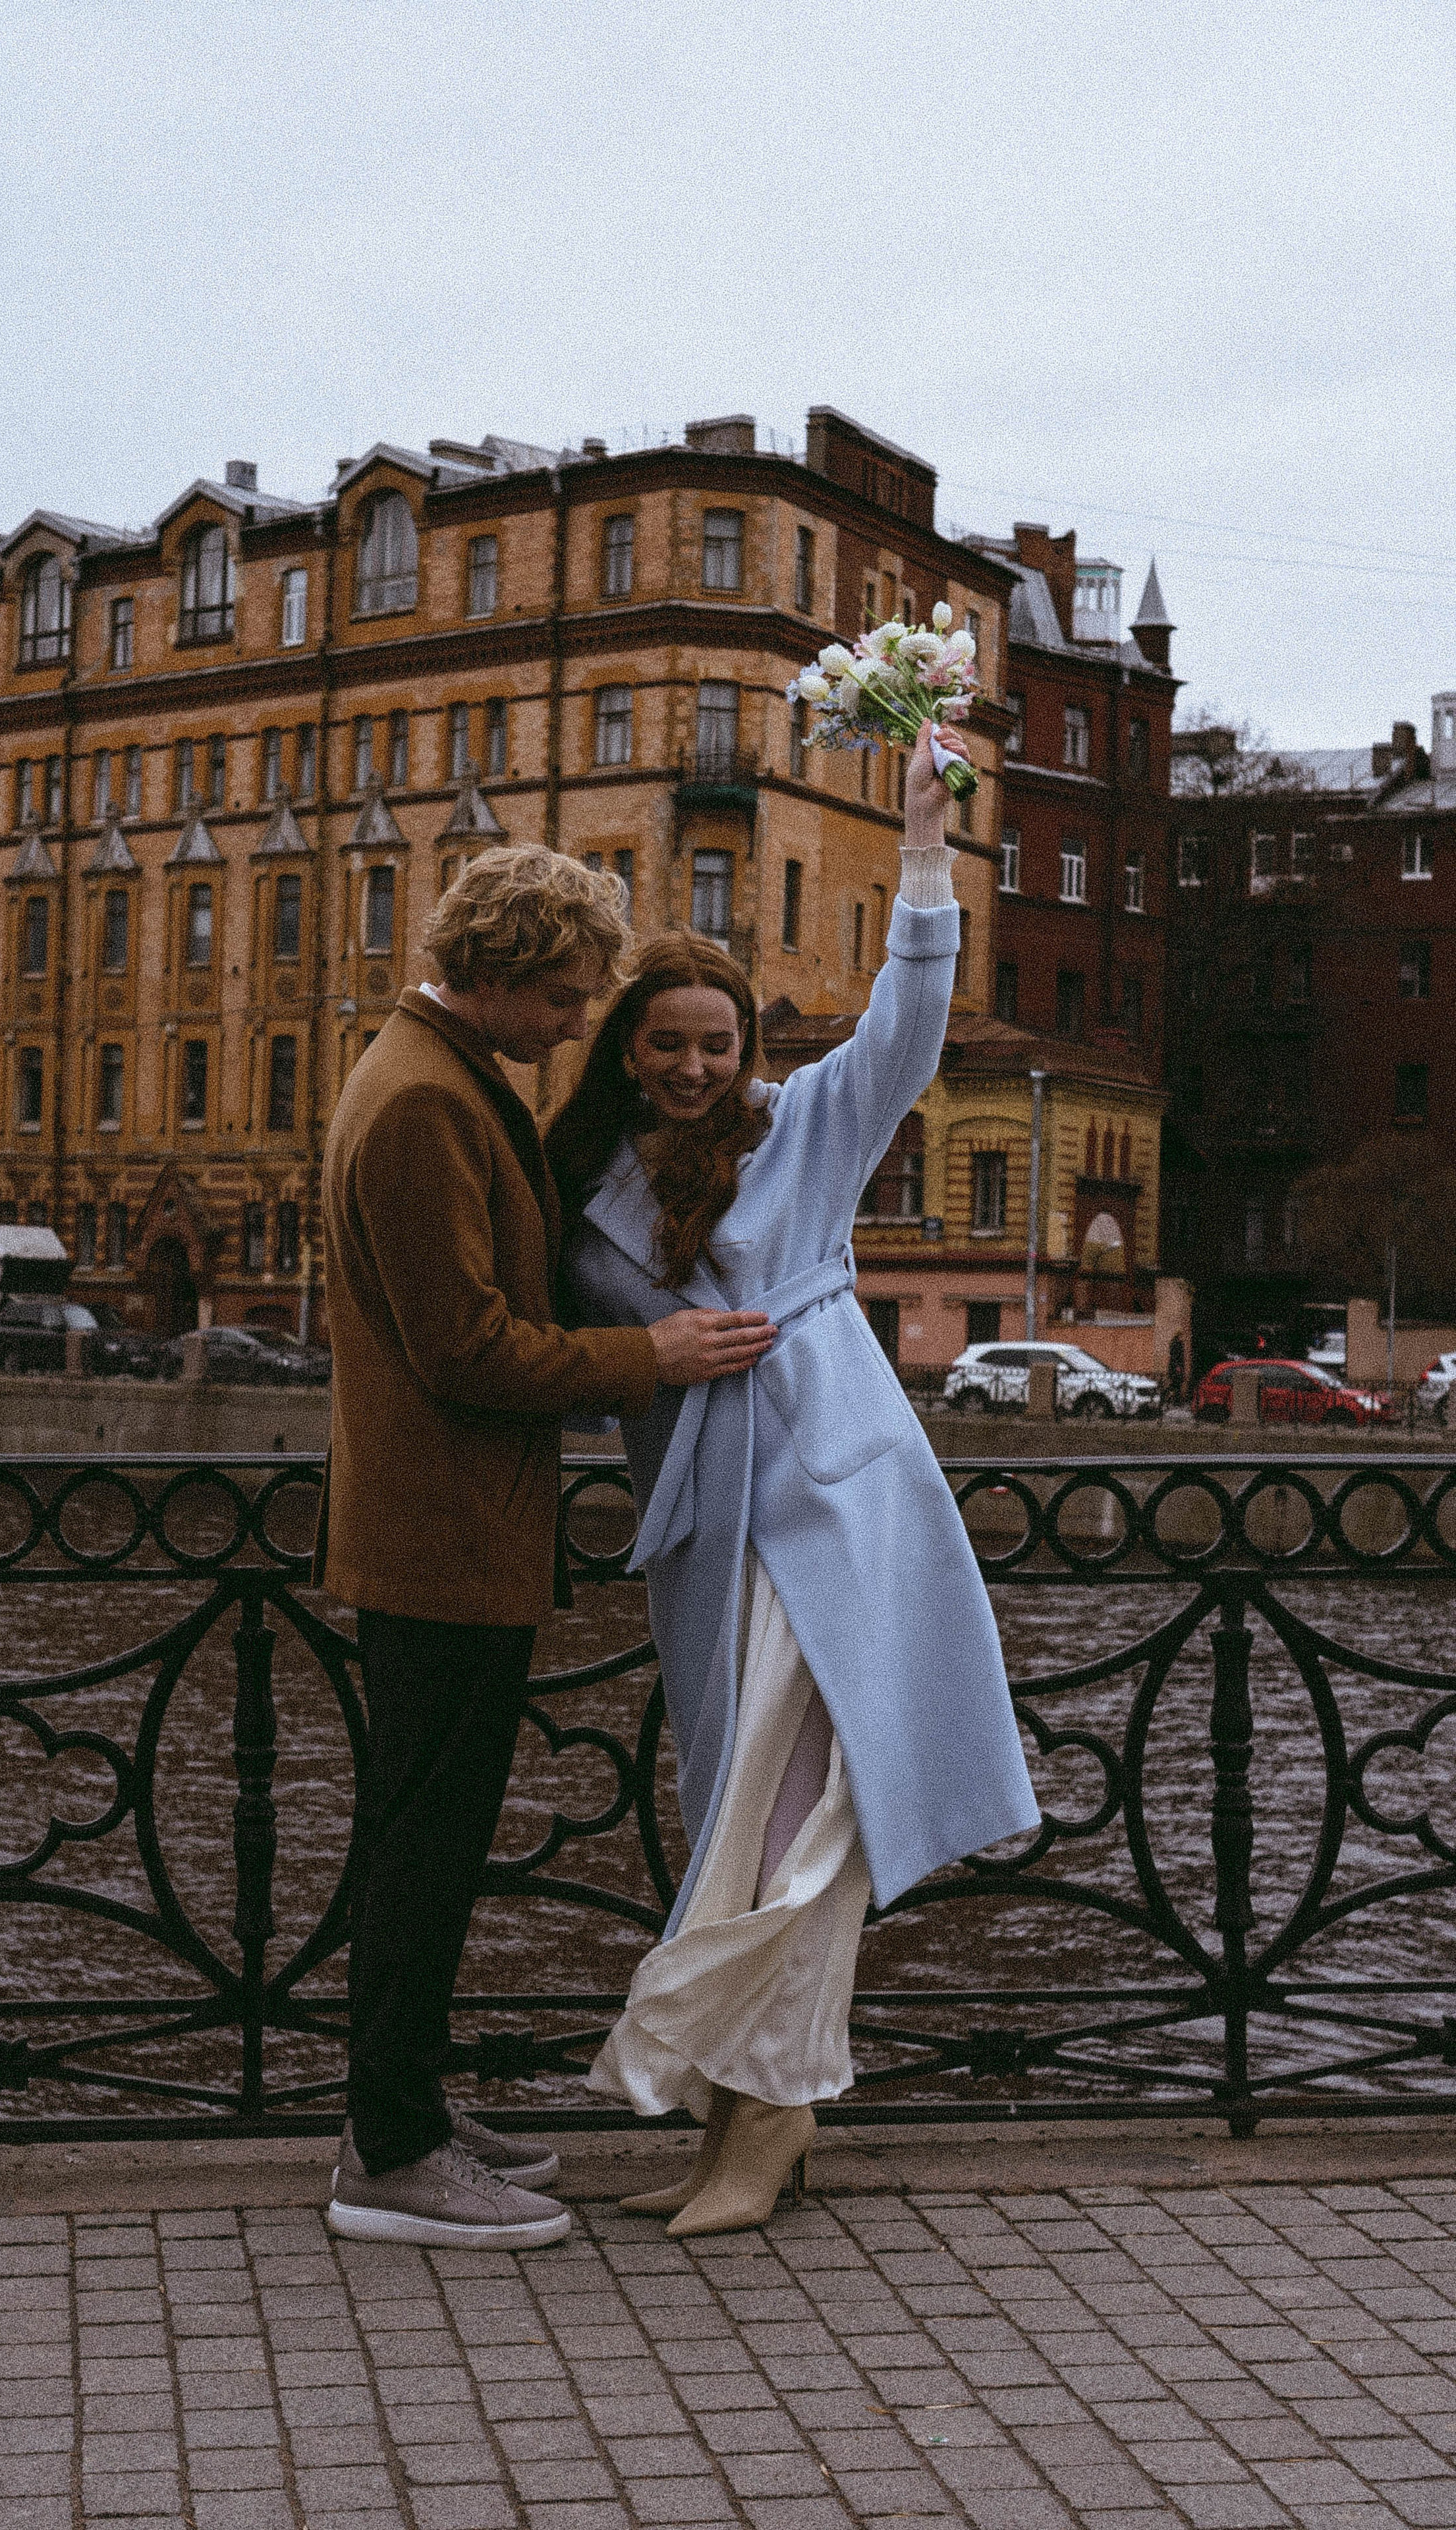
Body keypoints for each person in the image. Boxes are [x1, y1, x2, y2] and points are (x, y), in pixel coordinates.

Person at [546, 725, 1040, 2235]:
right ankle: (743, 2112)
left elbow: (906, 1019)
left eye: (718, 1043)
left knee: (801, 1819)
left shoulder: (804, 1133)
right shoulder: (585, 1194)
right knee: (738, 1809)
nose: (695, 1067)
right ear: (625, 1049)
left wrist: (917, 847)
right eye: (666, 1043)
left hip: (831, 1489)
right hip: (707, 1525)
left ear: (747, 1052)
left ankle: (769, 2119)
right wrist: (659, 1357)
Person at [316, 844, 775, 2251]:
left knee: (430, 1839)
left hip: (452, 1529)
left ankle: (400, 2105)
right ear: (503, 978)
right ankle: (388, 2156)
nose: (581, 1023)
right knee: (421, 1847)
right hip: (439, 1535)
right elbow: (463, 1347)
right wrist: (650, 1352)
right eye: (569, 997)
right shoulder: (422, 1105)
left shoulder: (437, 1074)